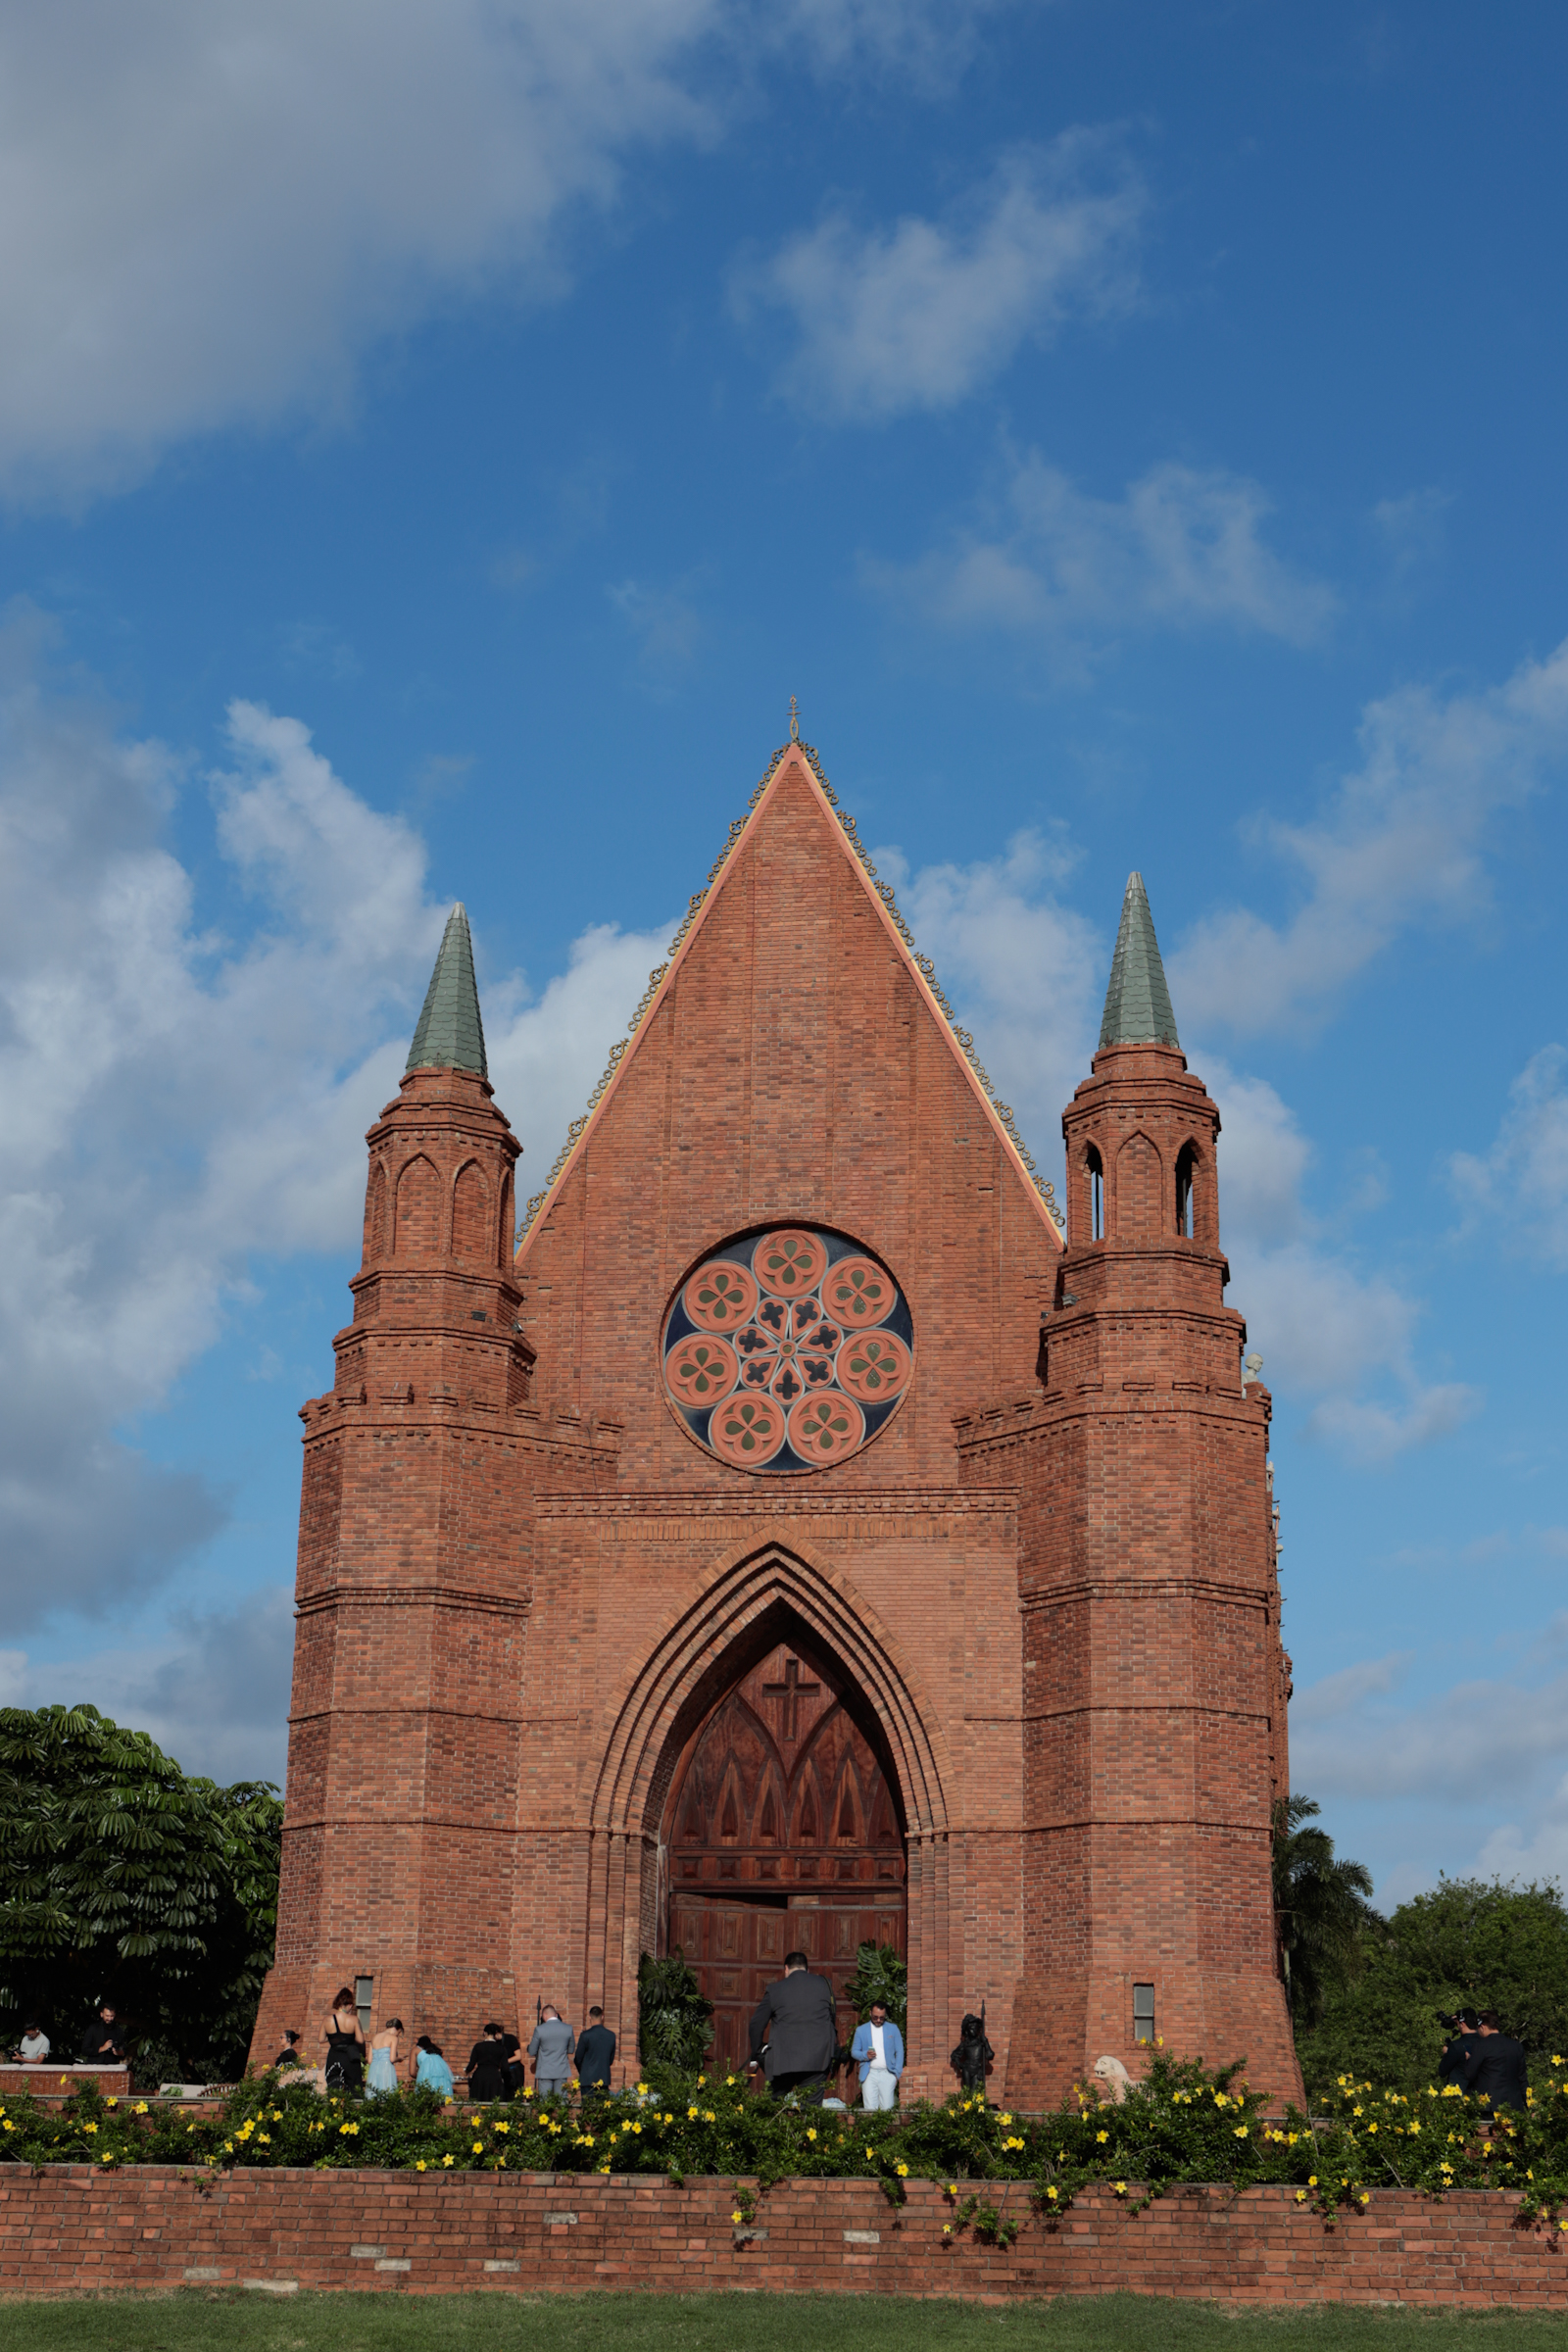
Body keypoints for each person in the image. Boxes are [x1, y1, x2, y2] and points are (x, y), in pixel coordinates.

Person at [748, 1950, 837, 2101]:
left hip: (784, 2060)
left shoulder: (775, 1990)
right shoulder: (825, 1985)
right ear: (807, 1970)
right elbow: (831, 2018)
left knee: (771, 2106)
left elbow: (756, 2024)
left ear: (786, 1969)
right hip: (818, 2060)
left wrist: (758, 2052)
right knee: (810, 2110)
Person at [1463, 2010, 1529, 2114]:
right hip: (1514, 2106)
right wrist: (1529, 2104)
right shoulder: (1516, 2046)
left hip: (1489, 2106)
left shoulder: (1480, 2046)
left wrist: (1469, 2059)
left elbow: (1469, 2074)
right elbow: (1522, 2079)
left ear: (1482, 2027)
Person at [850, 1998, 905, 2112]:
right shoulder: (861, 2030)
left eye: (882, 2018)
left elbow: (900, 2051)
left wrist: (896, 2074)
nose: (878, 2020)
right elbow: (854, 2052)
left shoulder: (893, 2029)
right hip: (869, 2074)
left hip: (887, 2073)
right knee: (870, 2110)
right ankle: (871, 2130)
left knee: (887, 2109)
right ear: (870, 2013)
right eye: (875, 2017)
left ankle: (886, 2130)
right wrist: (865, 2055)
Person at [323, 1986, 367, 2092]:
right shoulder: (353, 2019)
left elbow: (321, 2038)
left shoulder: (328, 2019)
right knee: (354, 2088)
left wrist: (335, 2037)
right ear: (350, 2005)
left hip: (334, 2056)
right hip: (349, 2057)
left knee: (333, 2087)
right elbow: (361, 2040)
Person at [527, 2004, 574, 2096]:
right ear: (556, 2015)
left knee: (545, 2103)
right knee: (561, 2103)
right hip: (561, 2070)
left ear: (544, 2015)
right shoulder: (568, 2028)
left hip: (545, 2071)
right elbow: (571, 2049)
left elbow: (532, 2051)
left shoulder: (539, 2029)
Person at [574, 2006, 616, 2094]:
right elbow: (610, 2059)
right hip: (603, 2078)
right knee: (601, 2107)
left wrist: (583, 2070)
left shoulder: (585, 2035)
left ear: (589, 2017)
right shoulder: (611, 2035)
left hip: (587, 2079)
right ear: (602, 2017)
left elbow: (578, 2058)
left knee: (588, 2106)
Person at [465, 2022, 509, 2104]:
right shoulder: (501, 2048)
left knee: (477, 2103)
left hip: (479, 2076)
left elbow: (471, 2065)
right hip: (494, 2077)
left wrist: (466, 2071)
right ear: (495, 2034)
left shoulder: (478, 2046)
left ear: (484, 2033)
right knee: (494, 2103)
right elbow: (505, 2068)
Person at [950, 2013, 993, 2093]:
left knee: (975, 2092)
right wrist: (960, 2065)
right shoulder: (965, 2044)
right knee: (967, 2092)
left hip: (977, 2069)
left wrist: (986, 2043)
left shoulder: (981, 2043)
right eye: (970, 2028)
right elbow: (954, 2055)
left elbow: (990, 2056)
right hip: (967, 2069)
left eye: (975, 2028)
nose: (973, 2030)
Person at [1439, 2008, 1482, 2085]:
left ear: (1462, 2024)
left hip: (1458, 2091)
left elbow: (1442, 2071)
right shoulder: (1484, 2042)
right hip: (1479, 2092)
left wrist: (1446, 2054)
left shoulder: (1456, 2046)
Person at [366, 2017, 404, 2096]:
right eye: (399, 2032)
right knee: (387, 2092)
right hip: (386, 2068)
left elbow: (369, 2060)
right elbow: (392, 2058)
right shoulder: (393, 2038)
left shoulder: (374, 2038)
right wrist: (399, 2059)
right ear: (396, 2029)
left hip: (374, 2069)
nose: (397, 2035)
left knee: (373, 2092)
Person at [501, 2033, 527, 2098]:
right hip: (505, 2070)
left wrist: (504, 2062)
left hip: (514, 2071)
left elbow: (518, 2056)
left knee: (515, 2093)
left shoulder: (510, 2039)